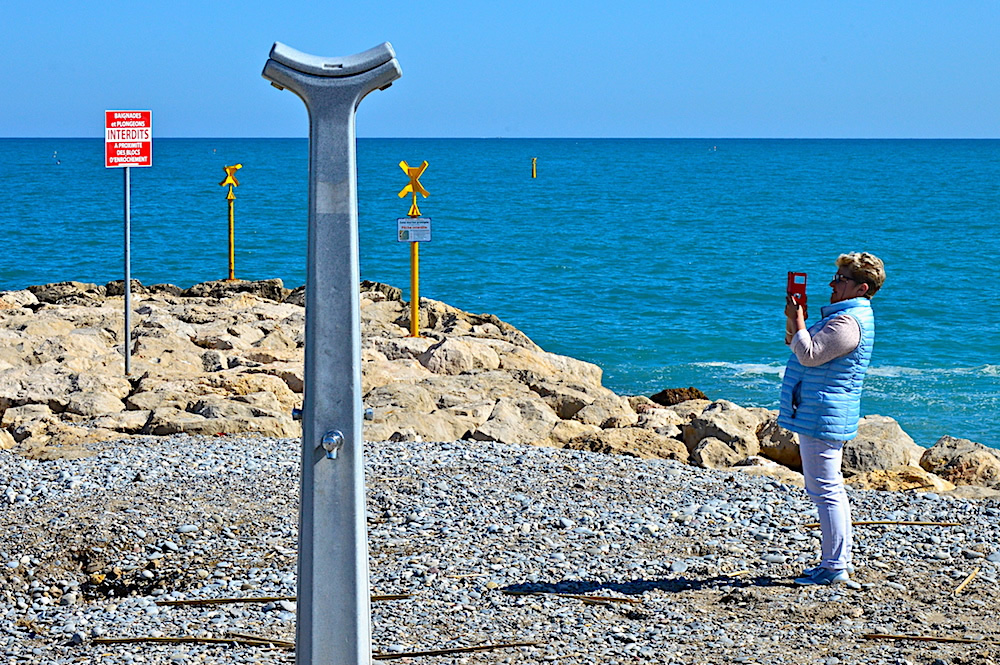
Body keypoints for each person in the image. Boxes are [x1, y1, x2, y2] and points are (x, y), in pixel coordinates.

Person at [778, 252, 886, 585]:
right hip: (820, 410)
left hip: (823, 413)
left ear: (860, 287)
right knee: (826, 488)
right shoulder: (844, 317)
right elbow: (801, 346)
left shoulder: (848, 323)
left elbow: (809, 356)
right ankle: (834, 561)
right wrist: (796, 322)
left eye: (841, 279)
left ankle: (836, 565)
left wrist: (798, 322)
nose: (832, 283)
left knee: (826, 490)